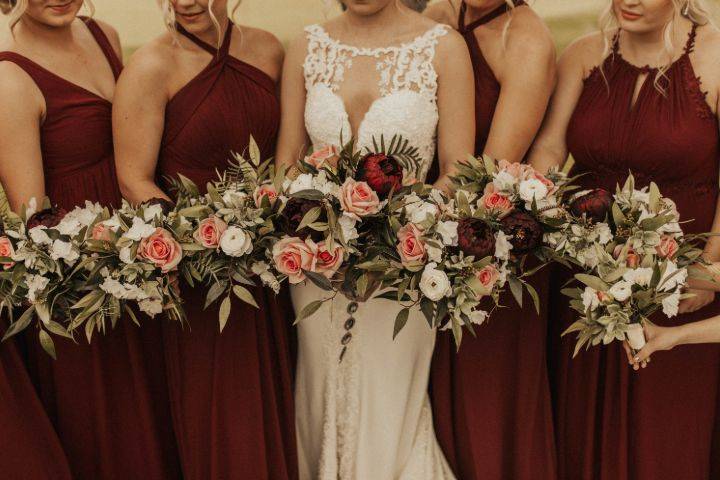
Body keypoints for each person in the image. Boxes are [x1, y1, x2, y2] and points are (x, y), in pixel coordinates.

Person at [275, 0, 475, 477]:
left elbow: (458, 170)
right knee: (321, 397)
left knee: (389, 403)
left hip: (401, 267)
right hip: (316, 266)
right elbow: (286, 164)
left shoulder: (444, 48)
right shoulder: (306, 45)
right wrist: (316, 227)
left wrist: (392, 228)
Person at [529, 0, 720, 478]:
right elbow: (552, 146)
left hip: (679, 280)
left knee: (667, 437)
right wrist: (521, 204)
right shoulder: (582, 55)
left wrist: (708, 271)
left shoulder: (716, 61)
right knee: (581, 428)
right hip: (584, 280)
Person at [113, 1, 297, 478]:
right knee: (221, 413)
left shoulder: (269, 50)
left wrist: (266, 229)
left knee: (273, 397)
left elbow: (286, 159)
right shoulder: (151, 66)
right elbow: (134, 180)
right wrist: (204, 241)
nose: (186, 2)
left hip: (268, 268)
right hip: (200, 276)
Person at [0, 1, 180, 478]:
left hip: (142, 256)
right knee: (113, 427)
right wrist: (106, 267)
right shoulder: (9, 80)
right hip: (83, 289)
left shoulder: (104, 34)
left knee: (157, 411)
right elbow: (33, 225)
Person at [424, 1, 557, 477]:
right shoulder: (436, 15)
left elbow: (492, 174)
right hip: (426, 244)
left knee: (488, 404)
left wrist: (423, 230)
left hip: (490, 249)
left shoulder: (525, 39)